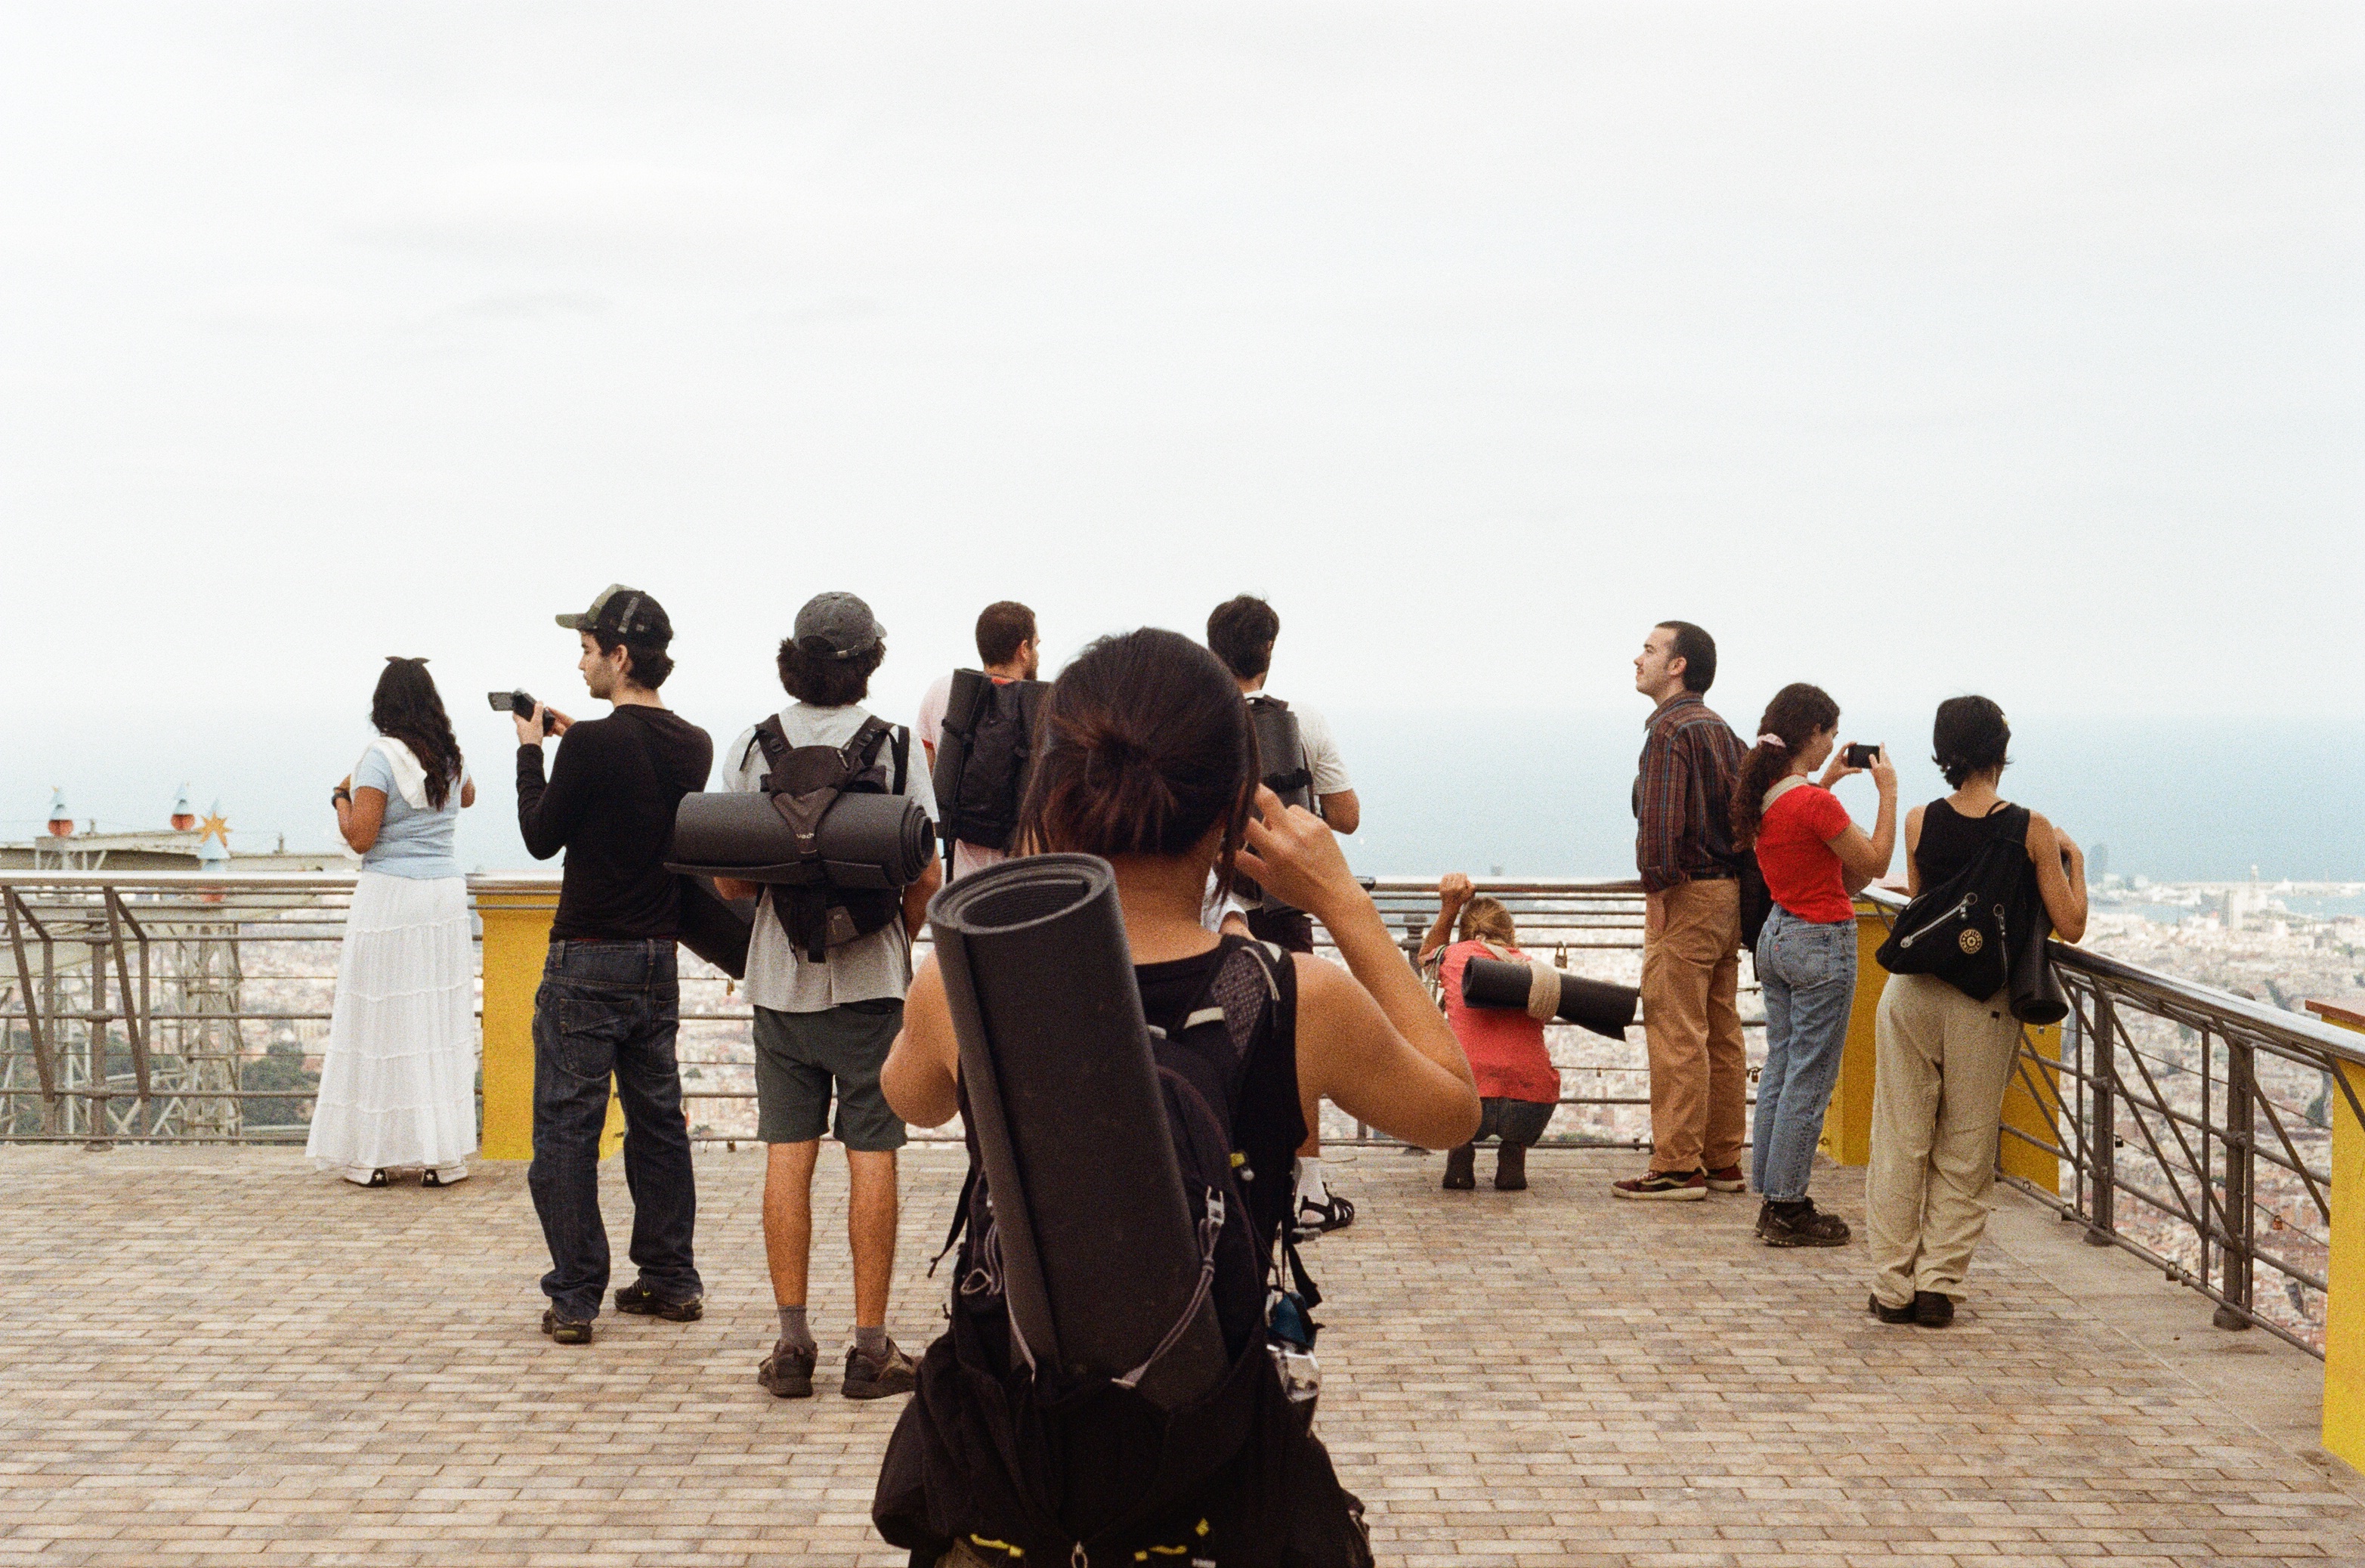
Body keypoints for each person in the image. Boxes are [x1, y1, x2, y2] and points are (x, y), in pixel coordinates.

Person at [876, 626, 1478, 1560]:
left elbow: (909, 1099)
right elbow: (1453, 1106)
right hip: (1207, 1477)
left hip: (1015, 1481)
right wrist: (1342, 903)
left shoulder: (963, 985)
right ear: (1235, 808)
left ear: (1050, 788)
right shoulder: (1290, 995)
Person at [716, 592, 942, 1401]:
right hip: (872, 982)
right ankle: (870, 1346)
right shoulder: (896, 748)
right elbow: (926, 877)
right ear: (867, 663)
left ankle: (790, 1345)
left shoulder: (751, 743)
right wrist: (889, 934)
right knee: (870, 1154)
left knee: (788, 1153)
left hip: (780, 980)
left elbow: (730, 872)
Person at [515, 585, 713, 1347]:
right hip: (656, 958)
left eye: (590, 648)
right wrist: (576, 743)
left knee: (567, 1128)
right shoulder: (691, 743)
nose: (580, 661)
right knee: (657, 1121)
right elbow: (634, 793)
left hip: (586, 959)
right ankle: (670, 1276)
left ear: (621, 655)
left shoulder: (591, 745)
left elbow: (540, 834)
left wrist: (535, 749)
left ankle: (575, 1295)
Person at [1866, 696, 2085, 1327]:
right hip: (1981, 1003)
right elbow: (2069, 924)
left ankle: (1891, 1286)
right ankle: (1937, 1286)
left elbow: (1921, 901)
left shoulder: (1918, 820)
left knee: (1900, 1140)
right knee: (1964, 1146)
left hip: (1909, 994)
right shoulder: (2030, 828)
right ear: (2001, 748)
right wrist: (2072, 858)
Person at [1206, 594, 1361, 1238]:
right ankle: (1310, 1188)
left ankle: (1224, 1175)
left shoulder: (1195, 721)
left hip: (1215, 905)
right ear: (1269, 651)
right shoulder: (1304, 721)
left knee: (1219, 1037)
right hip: (1287, 903)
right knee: (1297, 1039)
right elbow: (1347, 815)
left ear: (1211, 648)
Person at [1728, 683, 1897, 1245]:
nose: (1832, 744)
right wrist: (1887, 792)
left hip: (1776, 937)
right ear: (1814, 733)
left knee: (1782, 1067)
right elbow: (1871, 862)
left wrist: (1825, 783)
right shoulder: (1813, 803)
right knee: (1811, 1075)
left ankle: (1772, 1193)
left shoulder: (1768, 796)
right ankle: (1788, 1205)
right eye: (1828, 734)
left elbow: (1807, 840)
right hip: (1820, 938)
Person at [309, 657, 477, 1188]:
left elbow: (361, 836)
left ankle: (373, 1154)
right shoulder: (449, 756)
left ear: (382, 705)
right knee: (434, 1018)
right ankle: (442, 1155)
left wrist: (341, 798)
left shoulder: (379, 757)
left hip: (391, 899)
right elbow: (467, 797)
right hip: (444, 899)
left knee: (379, 1021)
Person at [1616, 620, 1748, 1201]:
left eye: (1649, 648)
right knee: (1720, 1028)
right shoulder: (1722, 730)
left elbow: (1661, 830)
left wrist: (1657, 894)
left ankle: (1676, 1164)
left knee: (1675, 1031)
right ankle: (1721, 1159)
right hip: (1728, 894)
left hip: (1687, 893)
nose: (1636, 657)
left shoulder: (1669, 731)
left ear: (1678, 665)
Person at [1418, 874, 1561, 1192]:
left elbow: (1426, 954)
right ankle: (1513, 1158)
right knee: (1530, 1068)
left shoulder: (1452, 959)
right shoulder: (1535, 970)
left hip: (1466, 1102)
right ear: (1510, 934)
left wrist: (1449, 908)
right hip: (1530, 1103)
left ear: (1464, 934)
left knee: (1455, 1071)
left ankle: (1459, 1158)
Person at [916, 600, 1041, 881]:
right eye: (1036, 645)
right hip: (1021, 877)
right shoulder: (1045, 708)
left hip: (960, 881)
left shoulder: (942, 692)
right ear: (1023, 650)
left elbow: (923, 782)